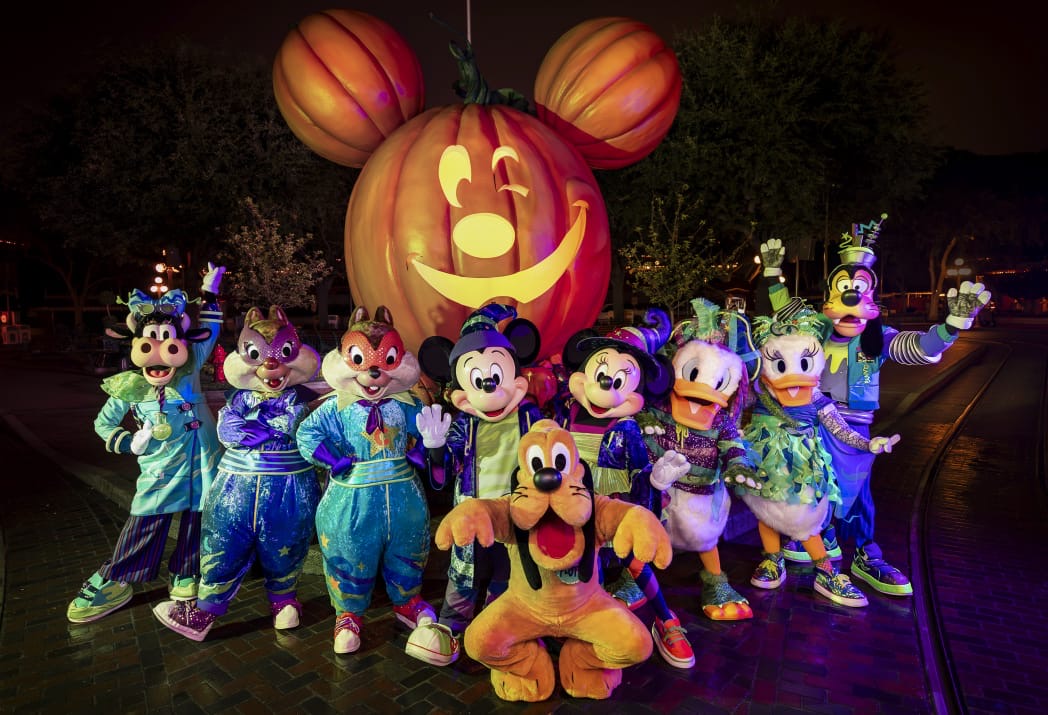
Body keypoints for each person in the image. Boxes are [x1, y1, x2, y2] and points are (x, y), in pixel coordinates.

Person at [761, 216, 989, 595]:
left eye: (859, 288)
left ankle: (865, 554)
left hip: (852, 427)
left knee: (855, 491)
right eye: (844, 288)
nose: (851, 297)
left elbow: (919, 347)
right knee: (809, 484)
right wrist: (772, 274)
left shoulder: (877, 338)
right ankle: (817, 537)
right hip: (811, 422)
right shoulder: (815, 330)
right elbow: (786, 310)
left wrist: (952, 325)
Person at [67, 264, 225, 623]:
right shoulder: (130, 386)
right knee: (145, 521)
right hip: (160, 470)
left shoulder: (188, 370)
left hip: (201, 463)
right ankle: (116, 578)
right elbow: (103, 423)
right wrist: (127, 442)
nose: (160, 352)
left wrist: (210, 294)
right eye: (151, 339)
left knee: (198, 518)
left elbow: (211, 331)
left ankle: (185, 574)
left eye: (167, 339)